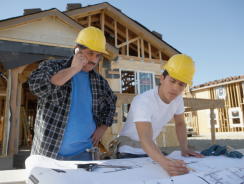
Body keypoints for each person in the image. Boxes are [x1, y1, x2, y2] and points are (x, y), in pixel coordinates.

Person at [29, 27, 117, 161]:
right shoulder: (52, 66)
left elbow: (111, 103)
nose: (94, 59)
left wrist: (103, 127)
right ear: (77, 50)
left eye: (97, 55)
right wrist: (74, 69)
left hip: (85, 154)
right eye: (90, 53)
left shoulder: (100, 82)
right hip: (48, 153)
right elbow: (36, 86)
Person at [114, 54, 204, 176]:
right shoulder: (144, 101)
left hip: (152, 149)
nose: (175, 88)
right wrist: (165, 163)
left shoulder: (177, 99)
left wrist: (184, 149)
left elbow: (180, 123)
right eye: (172, 81)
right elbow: (145, 137)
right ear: (162, 78)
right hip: (129, 150)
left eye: (181, 84)